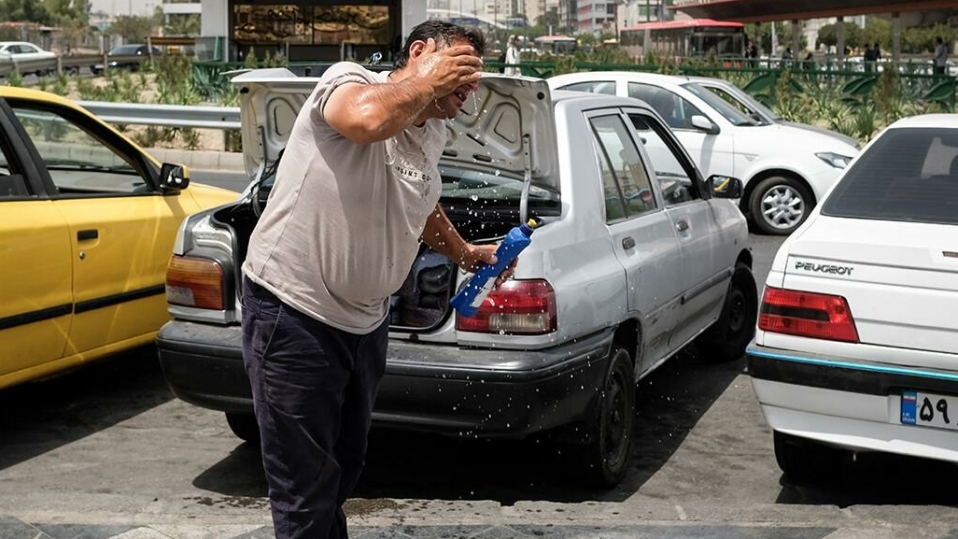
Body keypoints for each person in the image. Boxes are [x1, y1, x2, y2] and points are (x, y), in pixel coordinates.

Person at [241, 20, 511, 539]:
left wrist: (465, 252)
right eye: (458, 66)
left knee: (345, 464)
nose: (468, 85)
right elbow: (366, 122)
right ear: (418, 52)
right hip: (294, 314)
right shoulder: (348, 82)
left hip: (364, 325)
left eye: (474, 75)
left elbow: (419, 198)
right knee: (304, 489)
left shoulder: (432, 130)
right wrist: (430, 81)